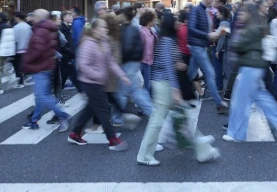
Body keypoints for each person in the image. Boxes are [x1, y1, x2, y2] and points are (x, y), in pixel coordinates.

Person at [137, 13, 220, 166]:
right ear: (170, 24)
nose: (178, 23)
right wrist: (175, 90)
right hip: (164, 84)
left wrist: (179, 65)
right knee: (158, 120)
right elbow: (168, 67)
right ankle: (145, 155)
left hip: (163, 82)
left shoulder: (166, 39)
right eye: (175, 21)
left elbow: (168, 63)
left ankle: (201, 148)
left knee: (181, 116)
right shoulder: (167, 41)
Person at [223, 3, 277, 142]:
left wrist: (234, 36)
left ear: (250, 13)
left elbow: (238, 45)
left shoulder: (252, 29)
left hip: (251, 66)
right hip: (254, 66)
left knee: (241, 101)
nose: (241, 15)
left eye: (243, 13)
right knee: (261, 97)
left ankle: (236, 133)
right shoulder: (255, 27)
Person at [67, 18, 130, 151]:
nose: (106, 30)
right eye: (103, 27)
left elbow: (110, 61)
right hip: (90, 82)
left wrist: (122, 75)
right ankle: (113, 139)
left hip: (99, 81)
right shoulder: (88, 44)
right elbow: (82, 65)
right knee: (103, 110)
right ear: (95, 29)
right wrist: (99, 75)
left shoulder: (103, 42)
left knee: (90, 108)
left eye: (106, 28)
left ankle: (75, 133)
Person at [21, 9, 70, 131]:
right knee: (41, 95)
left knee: (43, 96)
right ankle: (34, 121)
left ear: (39, 17)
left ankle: (62, 115)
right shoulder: (49, 29)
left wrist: (25, 61)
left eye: (33, 16)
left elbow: (37, 50)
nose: (31, 18)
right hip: (48, 65)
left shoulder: (40, 30)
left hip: (40, 66)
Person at [187, 0, 228, 113]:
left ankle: (175, 92)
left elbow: (202, 28)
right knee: (210, 73)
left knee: (190, 73)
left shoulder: (206, 10)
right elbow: (191, 28)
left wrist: (215, 33)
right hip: (197, 46)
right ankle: (219, 102)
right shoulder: (196, 10)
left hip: (201, 45)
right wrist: (208, 35)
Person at [12, 11, 32, 88]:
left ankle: (20, 82)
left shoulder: (16, 28)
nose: (14, 18)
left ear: (18, 17)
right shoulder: (28, 27)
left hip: (19, 49)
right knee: (23, 65)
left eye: (15, 17)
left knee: (18, 67)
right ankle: (25, 79)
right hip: (27, 49)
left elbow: (15, 40)